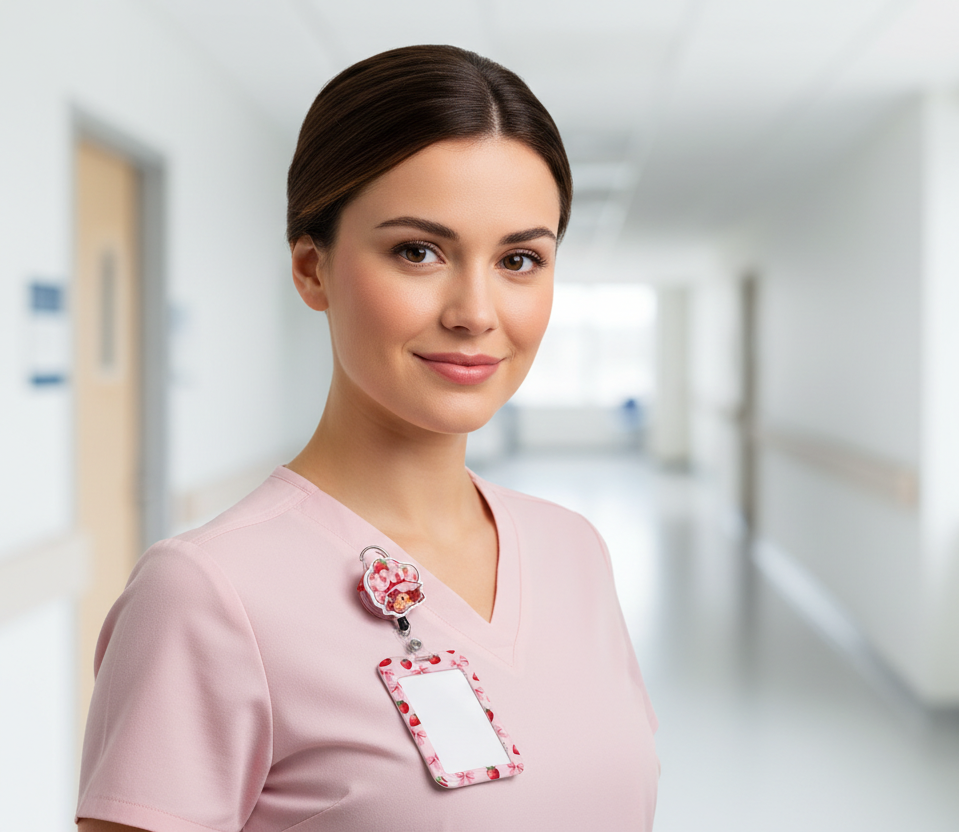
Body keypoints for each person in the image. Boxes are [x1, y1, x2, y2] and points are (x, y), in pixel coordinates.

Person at [77, 45, 659, 832]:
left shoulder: (572, 551)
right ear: (313, 270)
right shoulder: (206, 595)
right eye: (419, 252)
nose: (476, 313)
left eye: (520, 259)